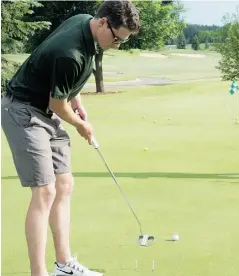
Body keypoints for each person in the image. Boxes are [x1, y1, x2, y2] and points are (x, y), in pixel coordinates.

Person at [1, 1, 140, 276]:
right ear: (102, 22)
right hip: (23, 111)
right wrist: (80, 125)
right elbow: (57, 104)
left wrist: (78, 102)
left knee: (64, 184)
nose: (117, 45)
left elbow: (63, 87)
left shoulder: (83, 20)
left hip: (46, 110)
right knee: (45, 192)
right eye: (116, 38)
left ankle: (64, 265)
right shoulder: (71, 53)